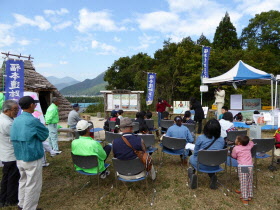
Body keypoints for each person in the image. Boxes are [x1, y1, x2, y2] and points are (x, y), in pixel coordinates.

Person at [10, 96, 49, 210]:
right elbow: (44, 134)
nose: (35, 106)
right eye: (34, 104)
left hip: (19, 156)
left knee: (23, 181)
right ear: (31, 105)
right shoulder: (32, 120)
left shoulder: (16, 120)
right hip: (31, 156)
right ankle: (29, 208)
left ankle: (21, 204)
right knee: (33, 184)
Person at [188, 119, 225, 189]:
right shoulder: (221, 140)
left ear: (206, 128)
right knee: (210, 159)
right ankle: (212, 176)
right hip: (215, 165)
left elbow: (196, 153)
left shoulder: (201, 138)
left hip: (201, 164)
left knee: (191, 157)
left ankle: (192, 175)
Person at [0, 100, 20, 207]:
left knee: (6, 178)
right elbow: (17, 136)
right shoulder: (7, 123)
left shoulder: (4, 118)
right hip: (11, 154)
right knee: (12, 178)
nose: (17, 111)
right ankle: (11, 200)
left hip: (5, 153)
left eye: (17, 109)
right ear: (7, 110)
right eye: (15, 109)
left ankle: (3, 199)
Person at [231, 136, 254, 205]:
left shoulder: (236, 148)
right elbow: (252, 142)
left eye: (236, 139)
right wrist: (247, 141)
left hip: (242, 166)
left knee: (243, 182)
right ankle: (249, 195)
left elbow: (234, 156)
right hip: (250, 166)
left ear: (238, 142)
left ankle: (245, 198)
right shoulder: (248, 146)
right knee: (249, 181)